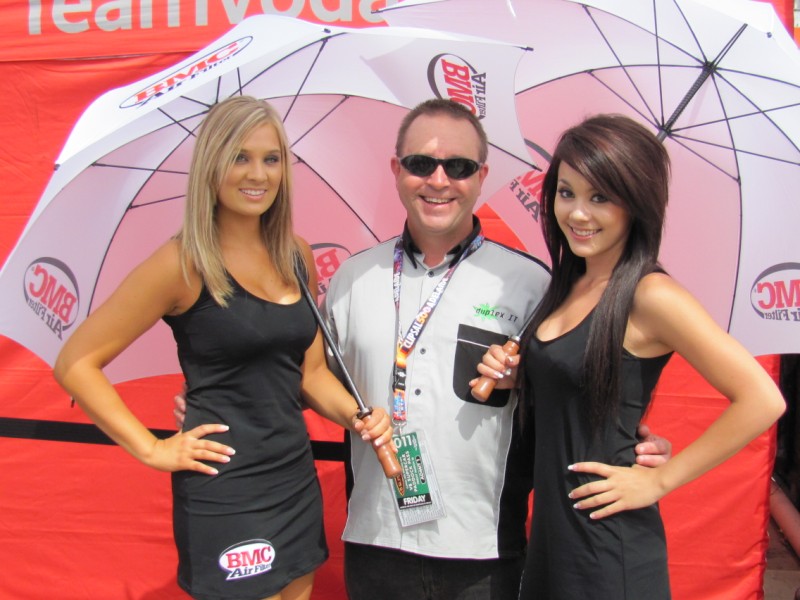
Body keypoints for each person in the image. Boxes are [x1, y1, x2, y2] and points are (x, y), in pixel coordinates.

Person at [320, 100, 671, 600]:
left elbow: (577, 383)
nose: (439, 180)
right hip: (374, 541)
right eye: (421, 163)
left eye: (459, 167)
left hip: (485, 551)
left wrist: (632, 440)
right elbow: (309, 380)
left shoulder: (533, 284)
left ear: (482, 176)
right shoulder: (351, 279)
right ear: (397, 169)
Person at [53, 96, 394, 600]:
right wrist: (152, 448)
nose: (258, 174)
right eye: (239, 157)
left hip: (293, 479)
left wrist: (358, 416)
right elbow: (76, 362)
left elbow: (310, 374)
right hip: (226, 489)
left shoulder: (295, 254)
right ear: (211, 166)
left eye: (271, 158)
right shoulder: (182, 264)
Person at [476, 114, 786, 598]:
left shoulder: (651, 295)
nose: (578, 213)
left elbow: (763, 399)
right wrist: (520, 375)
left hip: (607, 551)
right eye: (566, 192)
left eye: (601, 197)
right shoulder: (569, 283)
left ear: (636, 203)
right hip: (552, 543)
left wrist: (660, 481)